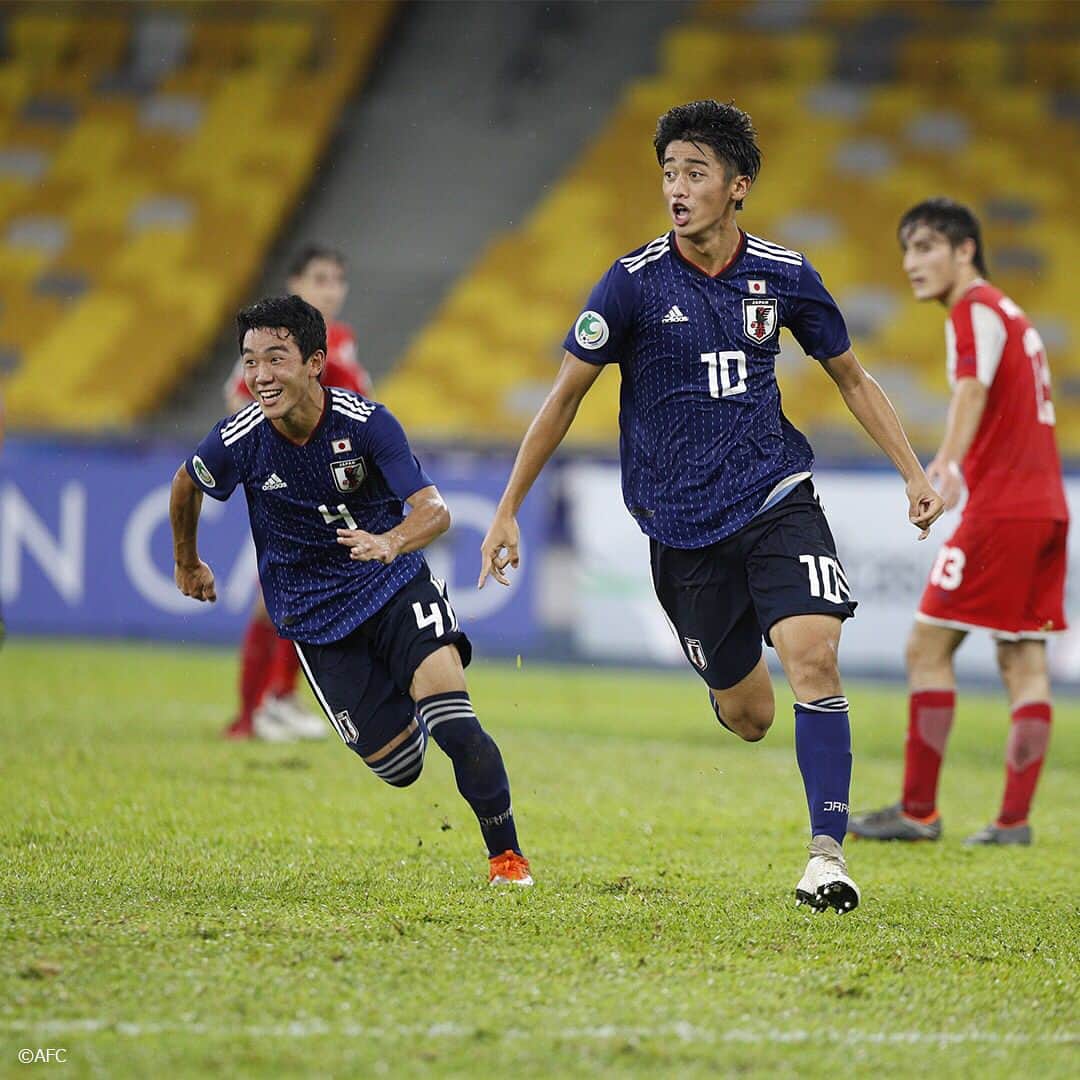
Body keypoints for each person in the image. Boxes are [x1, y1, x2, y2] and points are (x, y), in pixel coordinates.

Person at [478, 100, 943, 914]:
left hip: (775, 495)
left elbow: (853, 378)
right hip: (681, 529)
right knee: (753, 713)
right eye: (668, 174)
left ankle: (825, 857)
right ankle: (732, 679)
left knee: (814, 656)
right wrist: (509, 507)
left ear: (739, 187)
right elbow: (561, 401)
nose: (677, 189)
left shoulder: (786, 275)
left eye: (695, 173)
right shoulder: (629, 284)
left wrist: (913, 471)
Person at [170, 295, 532, 886]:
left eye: (276, 359)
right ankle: (403, 697)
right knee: (400, 766)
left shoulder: (367, 424)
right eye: (250, 362)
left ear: (315, 362)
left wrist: (390, 542)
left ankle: (507, 860)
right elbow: (187, 483)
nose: (260, 376)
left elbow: (434, 512)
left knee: (456, 724)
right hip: (315, 617)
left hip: (391, 587)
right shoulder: (241, 437)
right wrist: (187, 561)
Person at [849, 199, 1068, 847]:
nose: (912, 264)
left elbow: (971, 390)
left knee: (926, 648)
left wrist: (942, 465)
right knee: (1023, 657)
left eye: (925, 248)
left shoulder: (973, 308)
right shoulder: (1012, 314)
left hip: (1003, 511)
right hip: (1048, 507)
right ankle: (1013, 821)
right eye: (907, 252)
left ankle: (918, 811)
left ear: (965, 250)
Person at [223, 246, 374, 742]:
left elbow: (358, 401)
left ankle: (278, 700)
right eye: (320, 278)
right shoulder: (275, 336)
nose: (330, 289)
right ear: (296, 281)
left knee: (305, 595)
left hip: (323, 485)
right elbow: (238, 395)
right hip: (282, 483)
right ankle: (249, 716)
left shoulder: (340, 339)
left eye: (337, 279)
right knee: (274, 599)